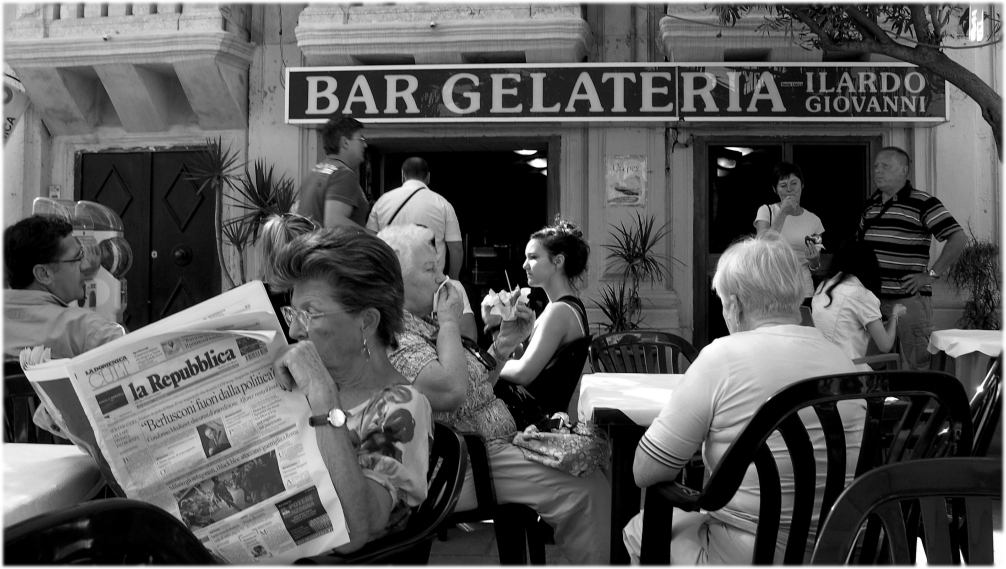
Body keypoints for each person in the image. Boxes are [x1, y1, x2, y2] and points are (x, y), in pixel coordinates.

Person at [378, 224, 612, 565]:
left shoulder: (420, 322)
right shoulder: (396, 334)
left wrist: (501, 347)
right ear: (393, 278)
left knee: (588, 469)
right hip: (461, 464)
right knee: (587, 489)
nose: (442, 278)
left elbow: (474, 383)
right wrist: (449, 322)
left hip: (493, 446)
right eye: (430, 269)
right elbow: (451, 391)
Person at [623, 233, 864, 564]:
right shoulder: (840, 358)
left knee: (638, 529)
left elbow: (646, 472)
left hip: (754, 554)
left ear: (733, 305)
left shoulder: (723, 356)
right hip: (842, 550)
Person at [268, 227, 433, 553]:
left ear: (367, 322)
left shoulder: (399, 407)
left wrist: (323, 395)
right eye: (292, 312)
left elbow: (358, 530)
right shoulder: (295, 383)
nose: (294, 329)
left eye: (309, 314)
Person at [4, 214, 126, 441]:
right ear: (43, 273)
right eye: (77, 258)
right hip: (76, 468)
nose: (85, 266)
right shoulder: (90, 331)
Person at [860, 146, 966, 370]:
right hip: (874, 302)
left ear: (903, 170)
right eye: (876, 166)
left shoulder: (923, 202)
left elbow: (957, 237)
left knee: (918, 363)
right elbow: (857, 248)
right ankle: (882, 406)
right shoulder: (870, 205)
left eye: (886, 166)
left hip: (909, 300)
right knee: (876, 365)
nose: (878, 171)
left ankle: (920, 405)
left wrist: (931, 275)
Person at [488, 218, 590, 421]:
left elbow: (523, 373)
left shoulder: (560, 311)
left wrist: (486, 366)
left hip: (533, 420)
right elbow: (525, 358)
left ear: (558, 261)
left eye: (533, 257)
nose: (525, 265)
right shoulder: (557, 306)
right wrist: (501, 329)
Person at [812, 240, 906, 370]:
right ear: (868, 265)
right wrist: (895, 315)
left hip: (819, 365)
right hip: (847, 370)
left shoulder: (823, 287)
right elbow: (885, 345)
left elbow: (843, 323)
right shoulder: (861, 294)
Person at [366, 157, 464, 280]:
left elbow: (369, 241)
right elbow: (456, 249)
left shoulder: (382, 201)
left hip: (390, 278)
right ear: (428, 177)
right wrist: (453, 281)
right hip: (430, 281)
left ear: (403, 175)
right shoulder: (443, 204)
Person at [753, 162, 824, 304]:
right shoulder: (766, 211)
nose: (789, 190)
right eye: (783, 186)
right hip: (772, 289)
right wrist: (783, 212)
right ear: (775, 189)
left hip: (803, 289)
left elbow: (815, 267)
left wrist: (814, 260)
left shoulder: (814, 220)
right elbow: (761, 247)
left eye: (794, 183)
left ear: (802, 185)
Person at [296, 116, 371, 231]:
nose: (365, 145)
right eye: (361, 139)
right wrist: (377, 237)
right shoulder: (343, 174)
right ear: (345, 142)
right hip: (331, 248)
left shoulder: (315, 171)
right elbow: (334, 223)